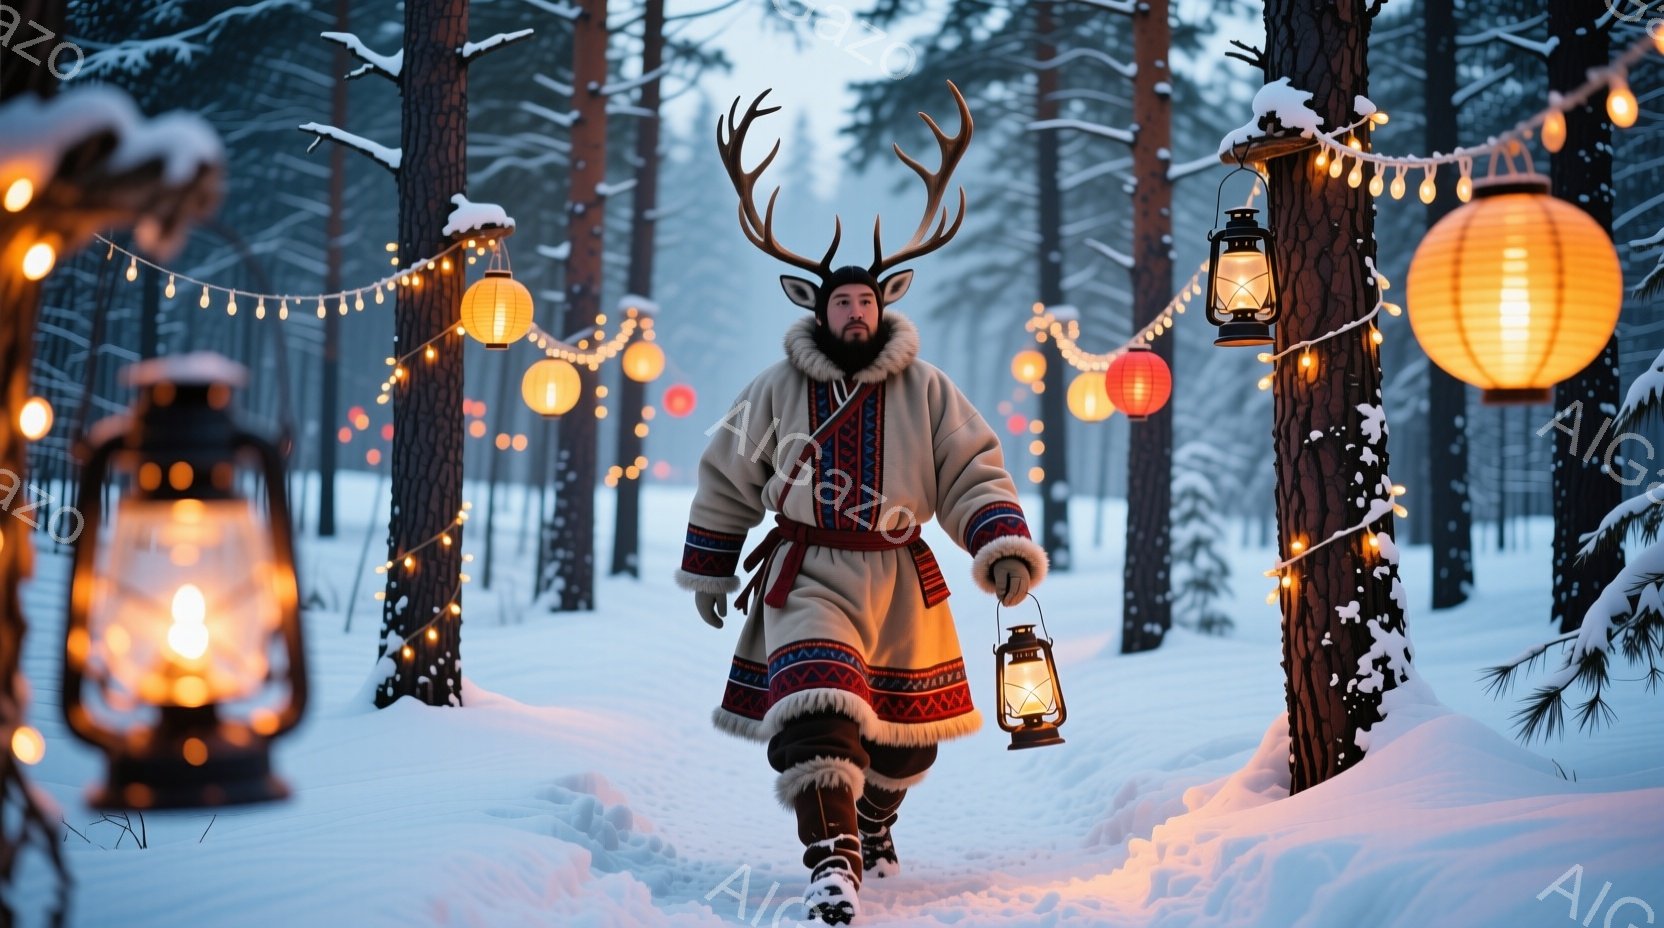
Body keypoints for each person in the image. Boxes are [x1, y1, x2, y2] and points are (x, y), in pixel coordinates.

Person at [675, 83, 1047, 926]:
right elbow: (728, 472)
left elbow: (972, 470)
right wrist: (710, 566)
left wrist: (1003, 546)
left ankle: (874, 825)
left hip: (901, 581)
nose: (853, 310)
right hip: (808, 575)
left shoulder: (928, 390)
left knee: (902, 747)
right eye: (840, 300)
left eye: (867, 300)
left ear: (888, 303)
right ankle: (832, 868)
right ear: (814, 306)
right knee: (814, 712)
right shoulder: (771, 390)